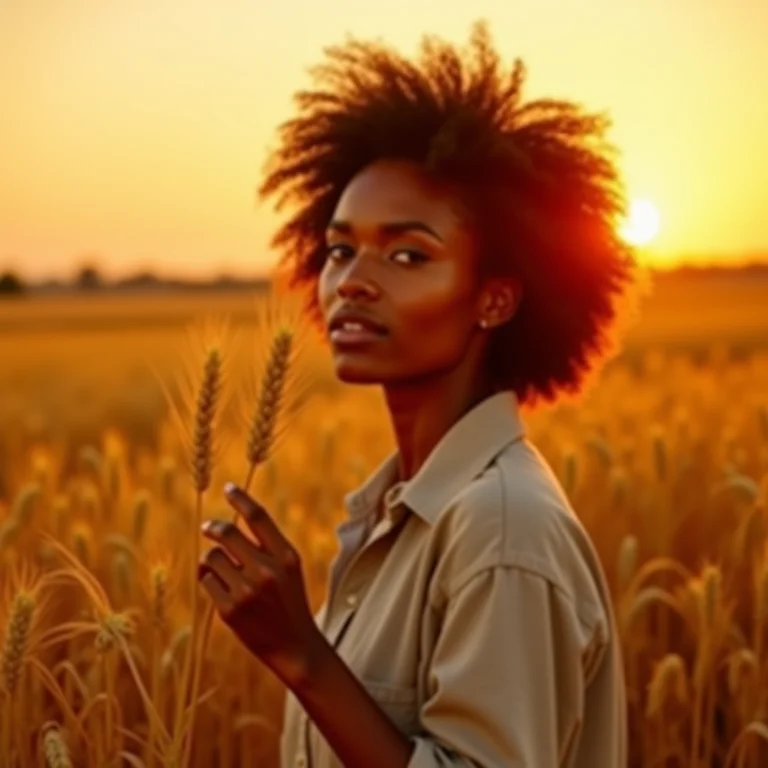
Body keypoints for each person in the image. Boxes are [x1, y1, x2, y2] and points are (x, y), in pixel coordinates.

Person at [198, 20, 635, 768]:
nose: (353, 282)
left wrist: (304, 656)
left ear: (492, 300)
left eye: (408, 254)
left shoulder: (502, 531)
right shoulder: (402, 515)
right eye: (340, 250)